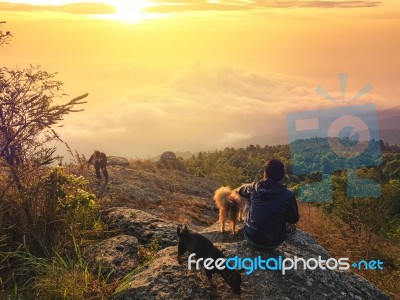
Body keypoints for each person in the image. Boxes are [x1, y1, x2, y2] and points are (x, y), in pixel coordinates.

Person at [238, 159, 299, 250]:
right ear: (281, 176)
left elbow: (241, 191)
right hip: (273, 242)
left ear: (265, 173)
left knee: (249, 197)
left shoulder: (253, 187)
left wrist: (249, 186)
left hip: (250, 236)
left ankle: (252, 225)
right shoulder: (288, 195)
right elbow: (293, 219)